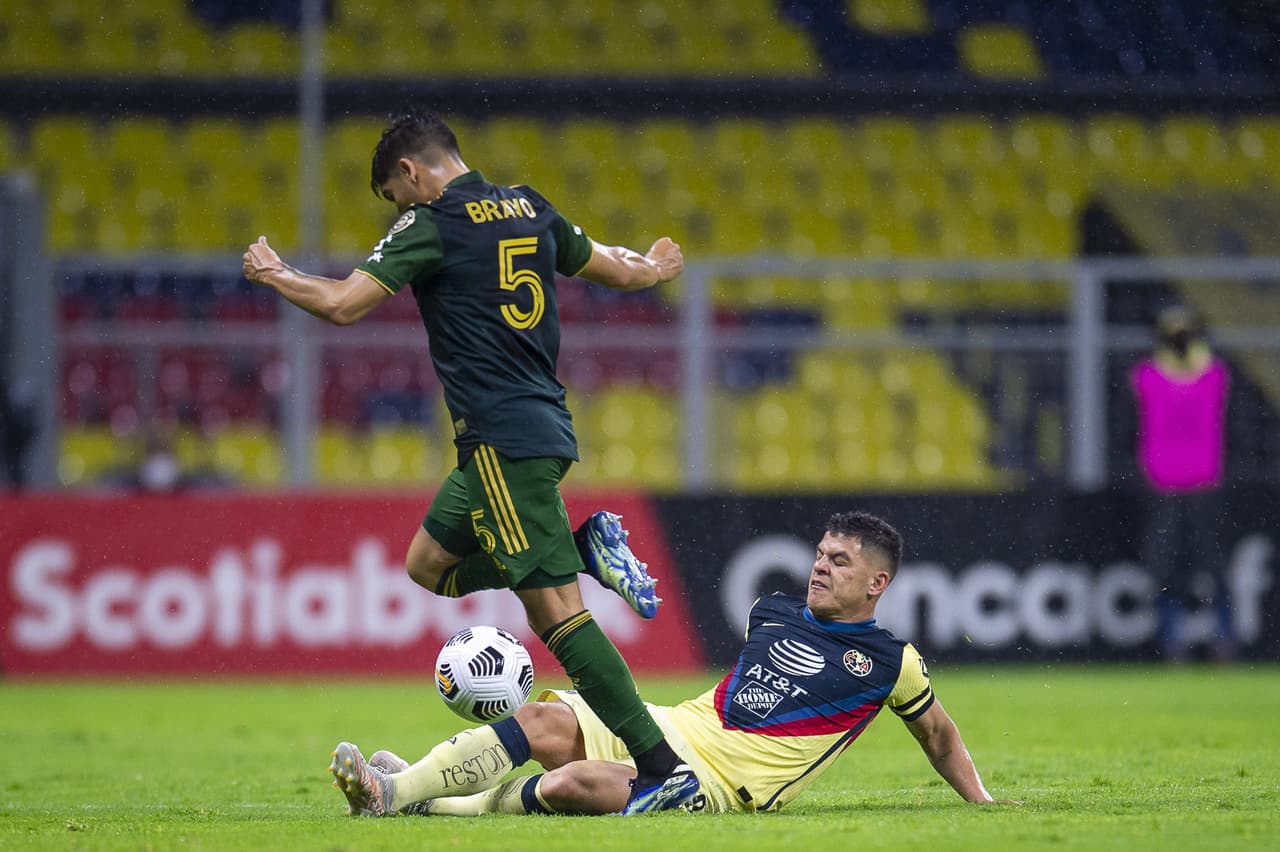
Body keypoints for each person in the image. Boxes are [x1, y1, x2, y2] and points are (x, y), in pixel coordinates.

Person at [242, 108, 695, 812]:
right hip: (528, 430)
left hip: (502, 439)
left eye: (396, 196)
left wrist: (275, 273)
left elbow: (341, 305)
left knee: (558, 619)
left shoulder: (431, 223)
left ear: (410, 172)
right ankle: (579, 548)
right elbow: (613, 266)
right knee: (427, 564)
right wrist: (655, 266)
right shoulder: (530, 207)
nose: (401, 207)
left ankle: (664, 771)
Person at [328, 511, 1003, 817]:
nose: (820, 569)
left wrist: (983, 805)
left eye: (840, 562)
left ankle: (422, 800)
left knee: (571, 786)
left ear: (877, 584)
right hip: (670, 726)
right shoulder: (769, 610)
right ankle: (402, 788)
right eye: (820, 555)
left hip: (719, 788)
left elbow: (938, 736)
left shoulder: (891, 662)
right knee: (542, 717)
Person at [1130, 305, 1233, 662]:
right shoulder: (1149, 375)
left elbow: (1204, 378)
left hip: (1201, 483)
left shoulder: (1213, 374)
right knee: (1164, 568)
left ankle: (1224, 643)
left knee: (1214, 565)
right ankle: (1173, 645)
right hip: (1164, 485)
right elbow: (1161, 379)